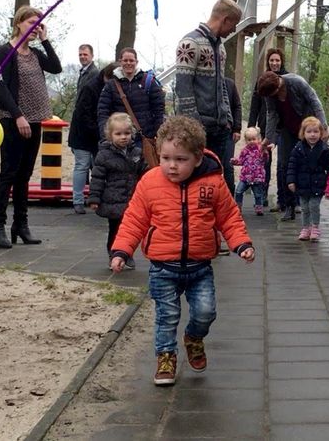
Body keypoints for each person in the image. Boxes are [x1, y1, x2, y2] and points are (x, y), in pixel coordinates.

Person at [109, 116, 255, 386]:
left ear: (198, 158)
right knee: (167, 315)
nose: (172, 166)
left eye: (180, 159)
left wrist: (241, 243)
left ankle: (194, 337)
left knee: (205, 312)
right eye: (165, 158)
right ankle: (166, 356)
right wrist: (121, 250)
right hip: (163, 267)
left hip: (200, 267)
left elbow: (229, 217)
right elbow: (134, 219)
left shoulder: (213, 183)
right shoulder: (150, 183)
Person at [0, 6, 62, 248]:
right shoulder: (4, 53)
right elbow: (1, 89)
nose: (35, 28)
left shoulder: (34, 54)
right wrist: (17, 115)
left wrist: (46, 40)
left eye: (39, 24)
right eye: (32, 23)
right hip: (13, 120)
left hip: (35, 119)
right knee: (9, 172)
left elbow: (56, 67)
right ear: (19, 23)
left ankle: (21, 224)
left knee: (24, 175)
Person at [174, 0, 242, 185]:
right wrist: (194, 126)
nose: (234, 30)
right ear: (225, 19)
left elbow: (222, 86)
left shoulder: (220, 47)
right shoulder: (190, 43)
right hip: (198, 129)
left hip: (220, 128)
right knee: (196, 179)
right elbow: (183, 87)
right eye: (233, 25)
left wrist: (227, 118)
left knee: (217, 179)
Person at [256, 70, 327, 222]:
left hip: (306, 126)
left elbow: (315, 102)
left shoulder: (296, 82)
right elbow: (272, 114)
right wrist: (268, 138)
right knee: (284, 165)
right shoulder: (269, 94)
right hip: (287, 129)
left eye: (273, 94)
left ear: (277, 87)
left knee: (307, 165)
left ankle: (303, 202)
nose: (272, 97)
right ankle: (288, 206)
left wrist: (323, 127)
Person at [87, 113, 144, 270]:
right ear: (110, 135)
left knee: (131, 229)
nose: (123, 137)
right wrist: (94, 198)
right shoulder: (104, 155)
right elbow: (97, 178)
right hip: (113, 198)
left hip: (131, 198)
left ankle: (127, 254)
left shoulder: (137, 153)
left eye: (126, 133)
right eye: (118, 134)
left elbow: (143, 172)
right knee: (115, 228)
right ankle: (114, 253)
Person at [97, 47, 165, 160]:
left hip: (144, 138)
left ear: (136, 62)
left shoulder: (148, 82)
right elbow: (102, 112)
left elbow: (159, 110)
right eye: (125, 60)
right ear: (120, 62)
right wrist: (106, 136)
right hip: (119, 139)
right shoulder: (111, 85)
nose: (128, 63)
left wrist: (157, 133)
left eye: (131, 60)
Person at [248, 48, 288, 211]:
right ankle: (262, 194)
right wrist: (252, 125)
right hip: (266, 126)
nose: (275, 63)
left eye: (277, 60)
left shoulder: (287, 78)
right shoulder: (262, 80)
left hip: (284, 126)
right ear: (268, 62)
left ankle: (284, 197)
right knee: (264, 161)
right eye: (272, 60)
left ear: (281, 61)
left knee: (283, 163)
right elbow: (254, 105)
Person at [286, 116, 329, 242]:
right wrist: (291, 180)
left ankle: (315, 227)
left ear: (321, 133)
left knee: (314, 205)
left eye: (316, 132)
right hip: (302, 183)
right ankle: (306, 228)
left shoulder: (325, 149)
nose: (312, 135)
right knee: (304, 207)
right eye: (309, 132)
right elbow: (292, 165)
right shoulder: (298, 148)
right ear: (303, 133)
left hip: (318, 183)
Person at [68, 43, 99, 214]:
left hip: (85, 127)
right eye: (80, 54)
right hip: (85, 128)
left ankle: (80, 199)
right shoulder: (85, 73)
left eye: (85, 54)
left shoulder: (92, 74)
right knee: (86, 165)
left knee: (84, 165)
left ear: (91, 56)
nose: (82, 57)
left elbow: (84, 104)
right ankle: (83, 199)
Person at [231, 127, 267, 215]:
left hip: (257, 176)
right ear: (246, 140)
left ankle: (259, 207)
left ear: (258, 139)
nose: (251, 141)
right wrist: (235, 161)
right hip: (245, 176)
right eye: (249, 140)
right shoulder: (244, 151)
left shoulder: (260, 149)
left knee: (258, 194)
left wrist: (265, 153)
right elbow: (241, 161)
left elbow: (264, 160)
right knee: (238, 191)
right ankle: (238, 207)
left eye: (253, 139)